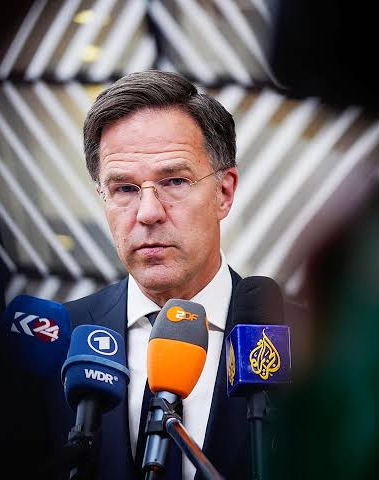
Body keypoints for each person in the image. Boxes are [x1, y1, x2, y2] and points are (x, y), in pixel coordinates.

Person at [60, 70, 249, 480]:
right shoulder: (57, 344)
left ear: (224, 192)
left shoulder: (307, 344)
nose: (148, 213)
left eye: (174, 181)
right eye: (124, 189)